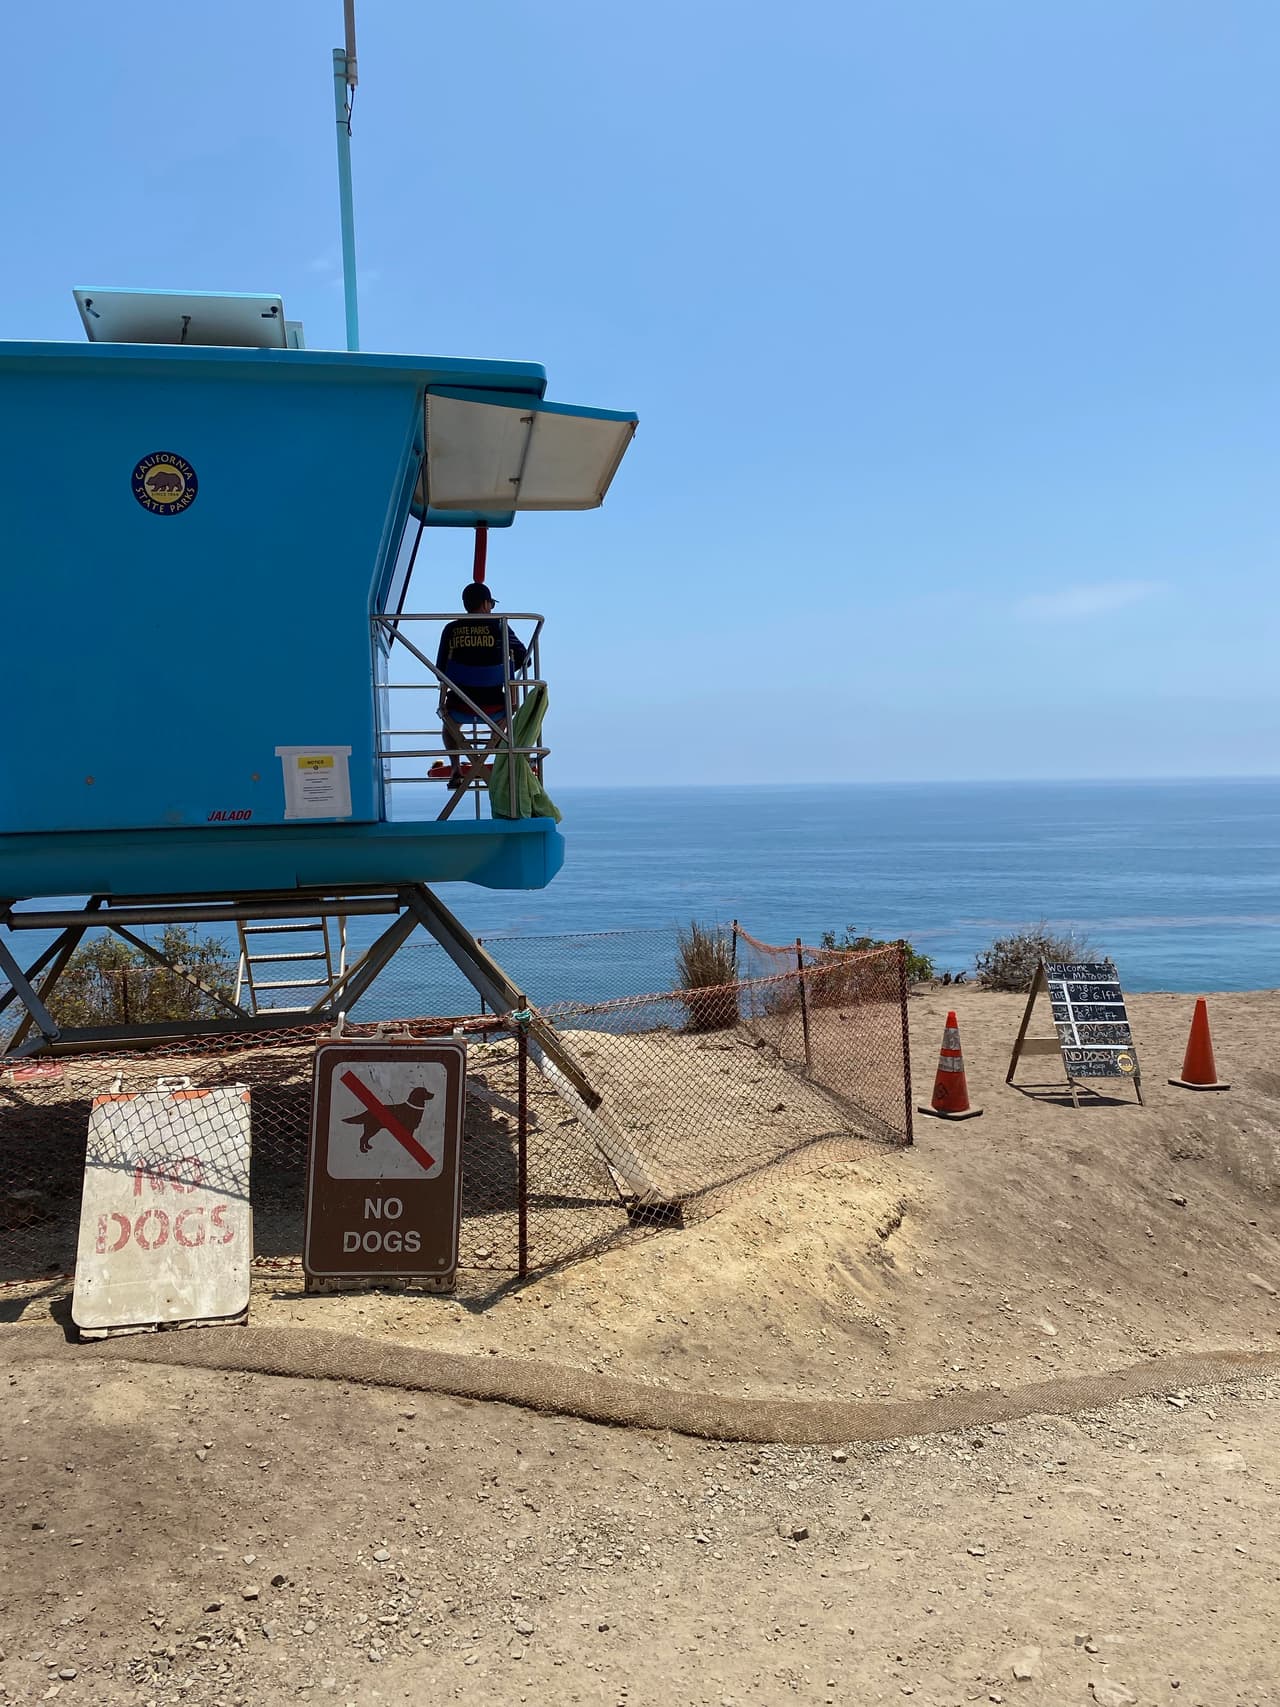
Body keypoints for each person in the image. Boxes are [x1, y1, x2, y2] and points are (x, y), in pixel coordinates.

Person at [435, 583, 528, 787]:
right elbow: (524, 659)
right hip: (496, 707)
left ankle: (456, 769)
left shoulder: (451, 629)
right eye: (491, 604)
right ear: (486, 604)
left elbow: (440, 670)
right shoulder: (500, 626)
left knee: (449, 725)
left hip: (458, 706)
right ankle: (497, 762)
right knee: (510, 713)